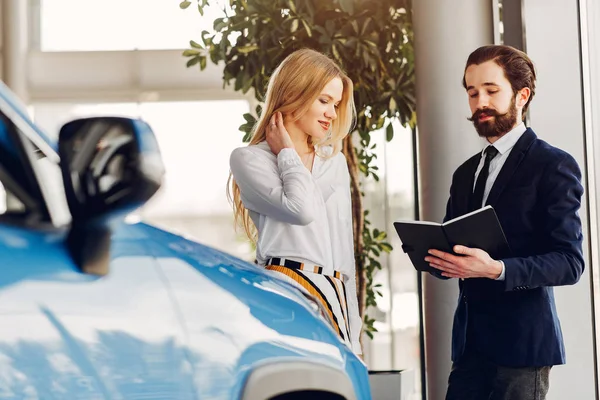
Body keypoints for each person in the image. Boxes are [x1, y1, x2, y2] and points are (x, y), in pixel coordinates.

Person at [425, 44, 584, 399]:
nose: (480, 101)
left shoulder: (553, 165)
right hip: (469, 348)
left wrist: (496, 269)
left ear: (521, 95)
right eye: (472, 92)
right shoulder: (465, 173)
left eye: (491, 90)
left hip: (522, 351)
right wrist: (437, 259)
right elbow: (455, 244)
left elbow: (570, 263)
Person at [228, 48, 362, 355]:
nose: (332, 112)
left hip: (334, 294)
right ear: (294, 94)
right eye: (324, 100)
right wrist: (287, 152)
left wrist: (352, 332)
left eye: (336, 104)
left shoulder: (334, 162)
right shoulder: (249, 159)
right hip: (285, 289)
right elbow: (301, 210)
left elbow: (343, 252)